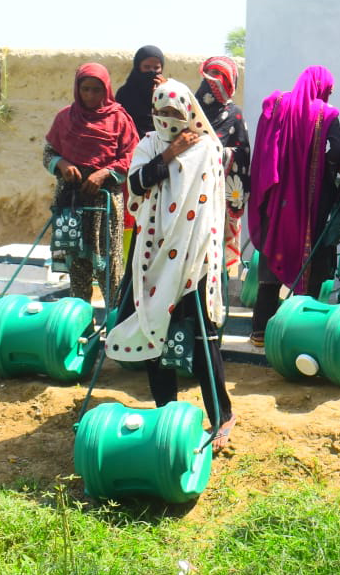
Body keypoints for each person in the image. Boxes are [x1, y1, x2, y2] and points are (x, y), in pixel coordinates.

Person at [107, 79, 233, 440]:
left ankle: (221, 416)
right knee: (153, 327)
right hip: (152, 252)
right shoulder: (149, 144)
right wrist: (169, 154)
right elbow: (136, 185)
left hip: (194, 257)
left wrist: (181, 152)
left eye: (174, 113)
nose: (166, 119)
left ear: (188, 111)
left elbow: (210, 206)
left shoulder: (207, 147)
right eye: (160, 112)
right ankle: (166, 411)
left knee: (202, 337)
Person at [246, 66, 340, 346]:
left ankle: (260, 331)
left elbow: (265, 148)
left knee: (271, 261)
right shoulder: (326, 114)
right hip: (309, 208)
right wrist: (325, 169)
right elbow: (337, 149)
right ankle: (299, 333)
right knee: (309, 265)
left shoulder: (276, 104)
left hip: (275, 203)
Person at [43, 63, 138, 301]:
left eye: (97, 90)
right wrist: (62, 165)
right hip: (71, 202)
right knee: (76, 265)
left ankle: (115, 327)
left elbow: (133, 157)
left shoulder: (119, 120)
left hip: (104, 204)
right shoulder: (65, 118)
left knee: (109, 267)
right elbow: (48, 153)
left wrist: (104, 173)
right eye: (85, 89)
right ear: (77, 88)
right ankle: (80, 323)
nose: (90, 95)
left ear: (106, 89)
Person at [195, 56, 251, 275]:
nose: (215, 83)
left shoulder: (234, 115)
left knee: (215, 260)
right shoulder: (190, 111)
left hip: (221, 198)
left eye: (222, 78)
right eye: (212, 75)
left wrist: (213, 152)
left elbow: (243, 154)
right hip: (191, 196)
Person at [114, 45, 165, 140]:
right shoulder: (125, 94)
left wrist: (161, 96)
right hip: (132, 148)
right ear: (138, 67)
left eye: (156, 68)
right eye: (146, 67)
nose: (152, 71)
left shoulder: (169, 93)